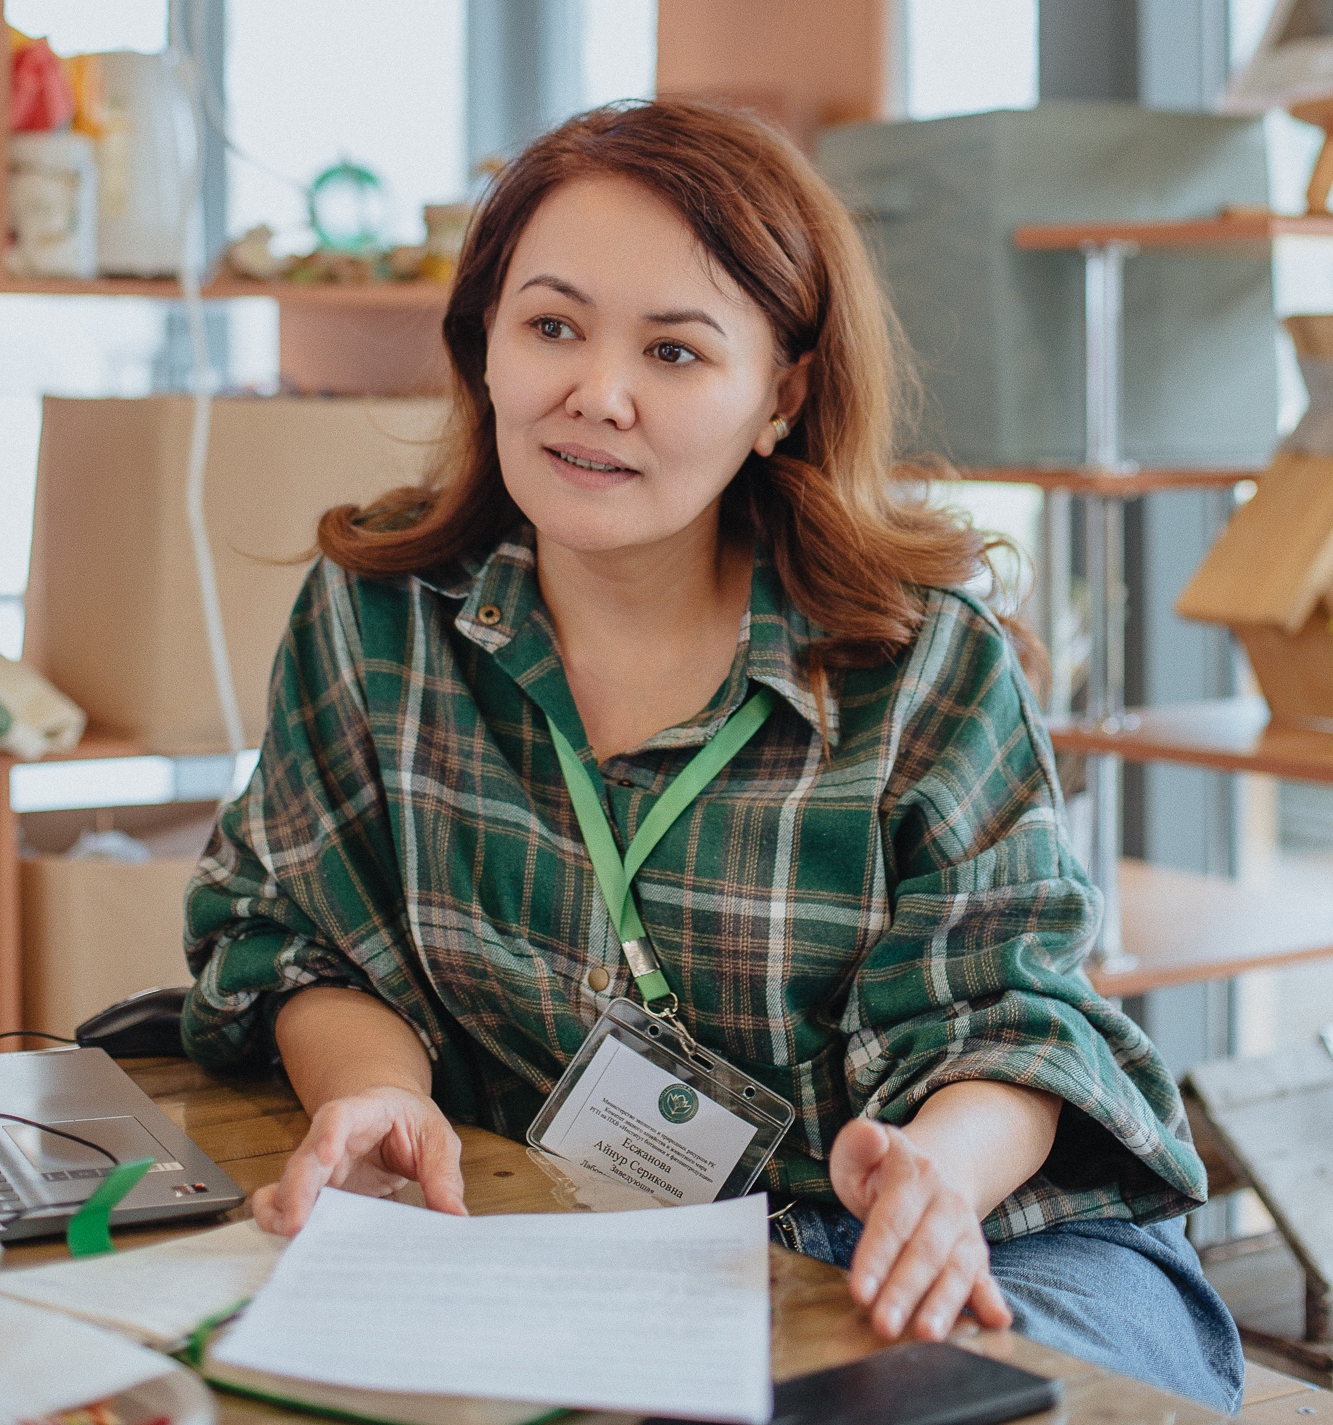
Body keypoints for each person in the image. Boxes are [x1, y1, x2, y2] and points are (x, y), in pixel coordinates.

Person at [183, 101, 1243, 1411]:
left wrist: (936, 1172)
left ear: (779, 396)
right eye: (551, 327)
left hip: (970, 1243)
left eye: (674, 351)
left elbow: (1015, 1021)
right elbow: (293, 935)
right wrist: (378, 1098)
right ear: (484, 341)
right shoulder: (379, 614)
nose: (597, 394)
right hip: (570, 1236)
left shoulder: (921, 663)